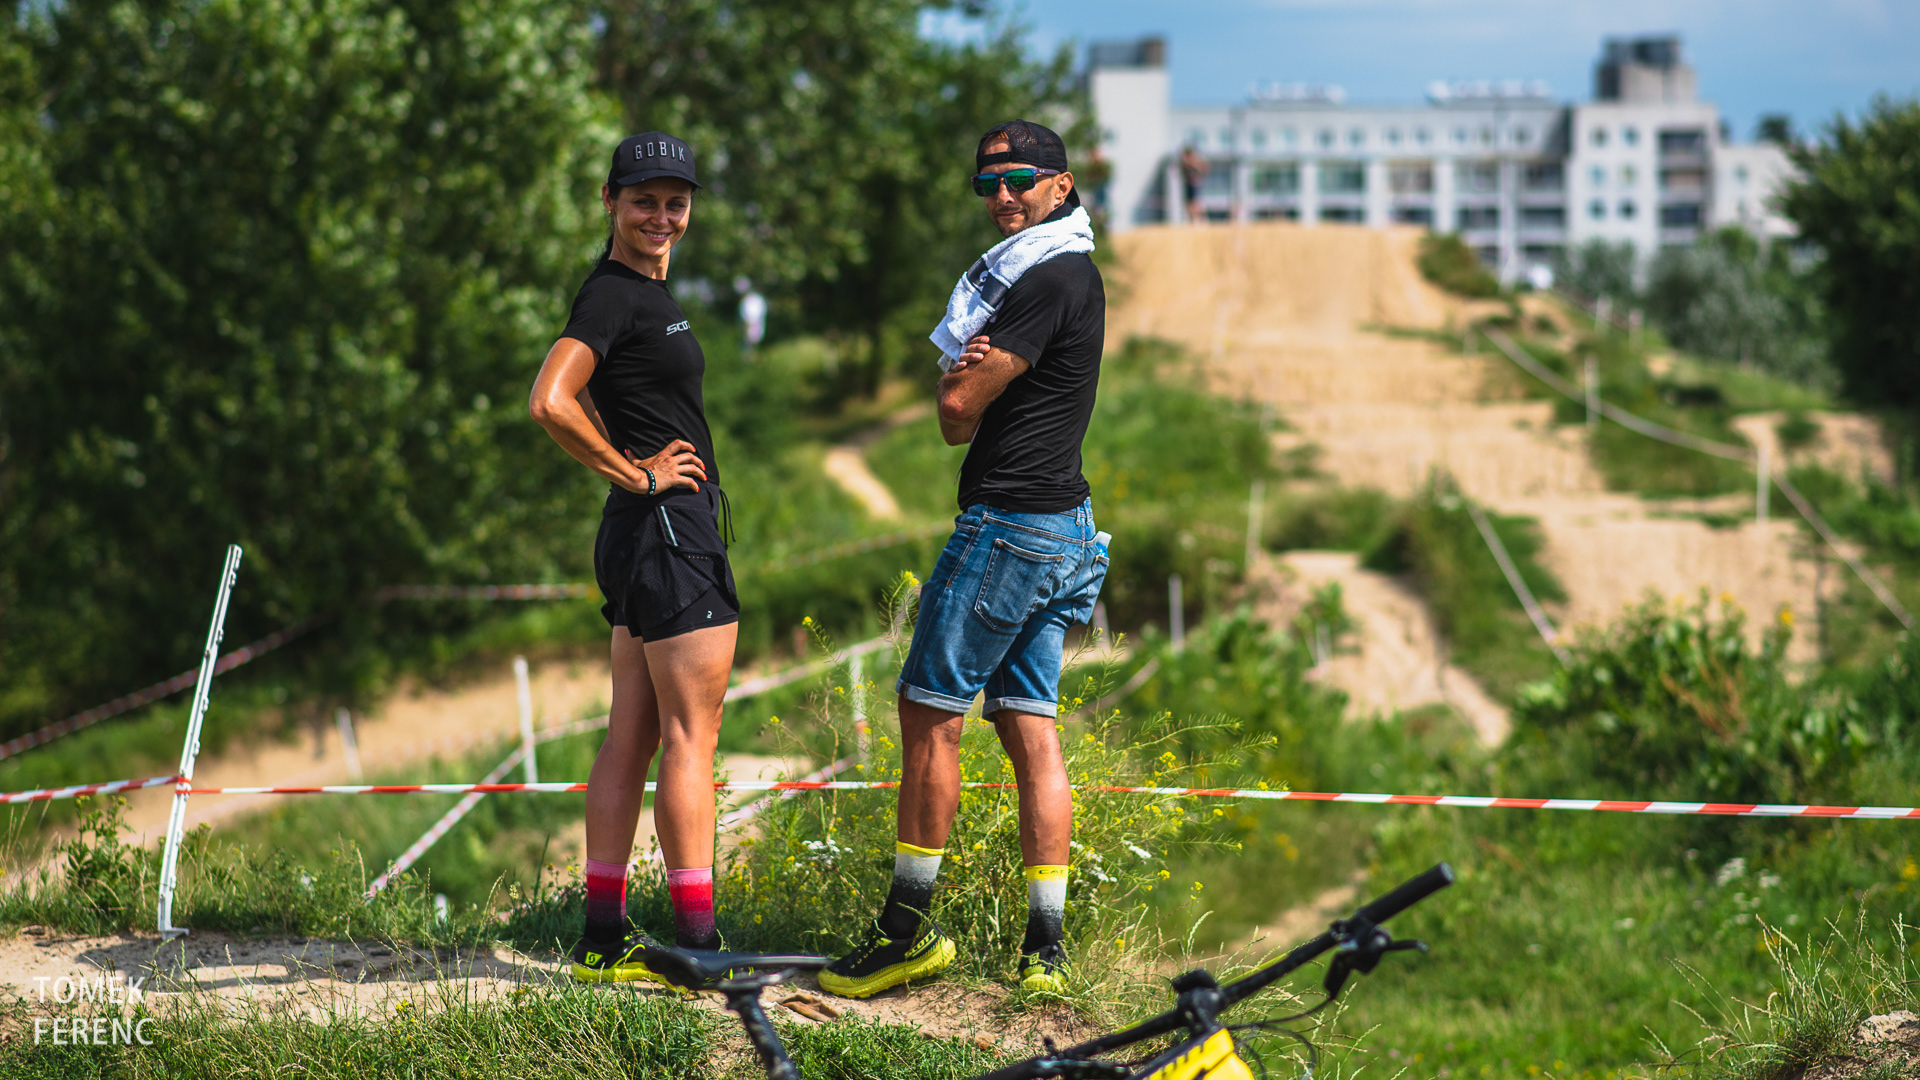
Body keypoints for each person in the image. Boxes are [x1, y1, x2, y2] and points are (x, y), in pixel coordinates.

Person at [818, 120, 1109, 999]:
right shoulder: (1074, 272)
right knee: (1031, 729)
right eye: (987, 184)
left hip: (1009, 526)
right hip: (1069, 528)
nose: (1003, 197)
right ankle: (1044, 956)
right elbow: (962, 402)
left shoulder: (1042, 276)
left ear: (1062, 185)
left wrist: (966, 385)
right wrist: (967, 389)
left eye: (1021, 179)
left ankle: (904, 933)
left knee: (927, 714)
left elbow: (955, 407)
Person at [529, 131, 739, 983]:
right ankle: (698, 946)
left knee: (633, 736)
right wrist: (637, 473)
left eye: (675, 202)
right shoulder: (613, 297)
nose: (662, 215)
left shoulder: (644, 292)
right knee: (693, 737)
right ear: (609, 201)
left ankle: (604, 939)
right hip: (666, 533)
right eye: (644, 200)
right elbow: (549, 400)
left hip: (643, 536)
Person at [1180, 145, 1210, 224]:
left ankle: (1201, 220)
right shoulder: (1185, 163)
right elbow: (1183, 173)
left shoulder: (1196, 162)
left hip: (1195, 185)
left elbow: (1204, 170)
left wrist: (1194, 166)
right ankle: (1191, 220)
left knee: (1196, 203)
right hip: (1188, 185)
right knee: (1189, 204)